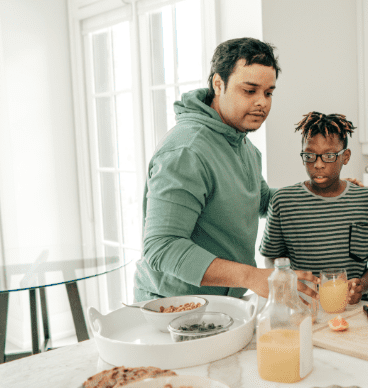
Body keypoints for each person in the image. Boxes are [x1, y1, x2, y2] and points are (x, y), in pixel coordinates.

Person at [134, 37, 318, 302]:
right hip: (173, 306)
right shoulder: (187, 150)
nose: (262, 103)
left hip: (223, 303)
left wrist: (320, 191)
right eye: (250, 90)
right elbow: (162, 247)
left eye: (268, 93)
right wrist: (253, 276)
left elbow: (260, 199)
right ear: (218, 84)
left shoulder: (241, 143)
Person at [259, 112, 368, 304]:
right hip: (305, 306)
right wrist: (287, 282)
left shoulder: (367, 200)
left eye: (329, 156)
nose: (318, 164)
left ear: (345, 157)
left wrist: (361, 285)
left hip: (357, 308)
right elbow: (272, 260)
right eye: (310, 156)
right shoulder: (283, 201)